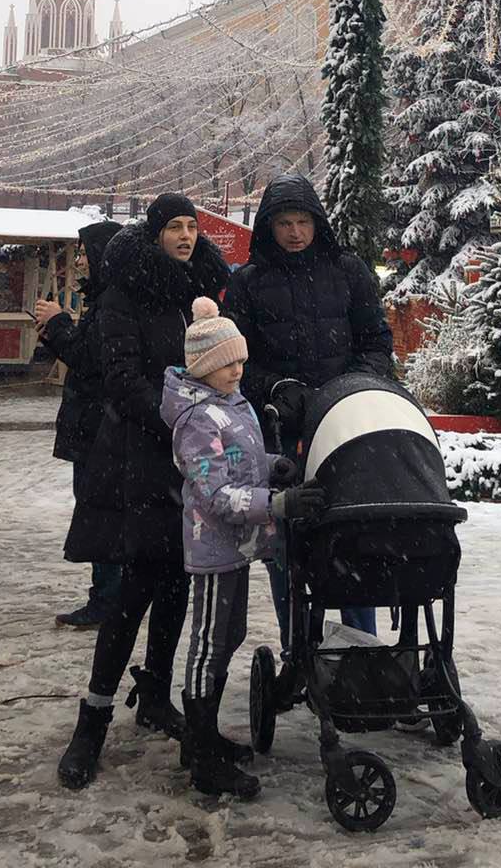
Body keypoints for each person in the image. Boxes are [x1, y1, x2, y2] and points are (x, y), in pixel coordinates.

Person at [57, 194, 229, 791]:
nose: (184, 235)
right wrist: (183, 425)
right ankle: (94, 717)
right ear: (154, 233)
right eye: (174, 227)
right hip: (141, 458)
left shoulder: (201, 289)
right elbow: (122, 380)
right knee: (132, 590)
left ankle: (155, 694)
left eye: (191, 226)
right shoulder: (123, 291)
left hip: (190, 461)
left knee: (179, 582)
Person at [161, 297, 324, 799]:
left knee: (227, 638)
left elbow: (241, 463)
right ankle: (203, 756)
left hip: (236, 546)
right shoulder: (196, 419)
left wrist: (274, 465)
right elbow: (216, 494)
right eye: (228, 362)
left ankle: (201, 738)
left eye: (240, 360)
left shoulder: (229, 403)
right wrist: (278, 503)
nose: (238, 369)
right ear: (205, 366)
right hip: (213, 548)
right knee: (209, 645)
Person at [227, 174, 394, 652]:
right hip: (281, 432)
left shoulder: (348, 272)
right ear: (269, 226)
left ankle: (361, 647)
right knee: (286, 542)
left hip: (345, 427)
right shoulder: (249, 282)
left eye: (303, 222)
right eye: (284, 223)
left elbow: (377, 344)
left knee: (354, 535)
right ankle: (296, 650)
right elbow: (237, 359)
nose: (295, 232)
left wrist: (351, 389)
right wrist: (275, 388)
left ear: (318, 223)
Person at [32, 218, 123, 628]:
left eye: (85, 251)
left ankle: (108, 599)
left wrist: (58, 323)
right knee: (99, 512)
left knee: (100, 514)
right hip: (94, 424)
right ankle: (110, 596)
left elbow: (91, 360)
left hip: (99, 428)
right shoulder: (103, 300)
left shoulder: (111, 303)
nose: (81, 259)